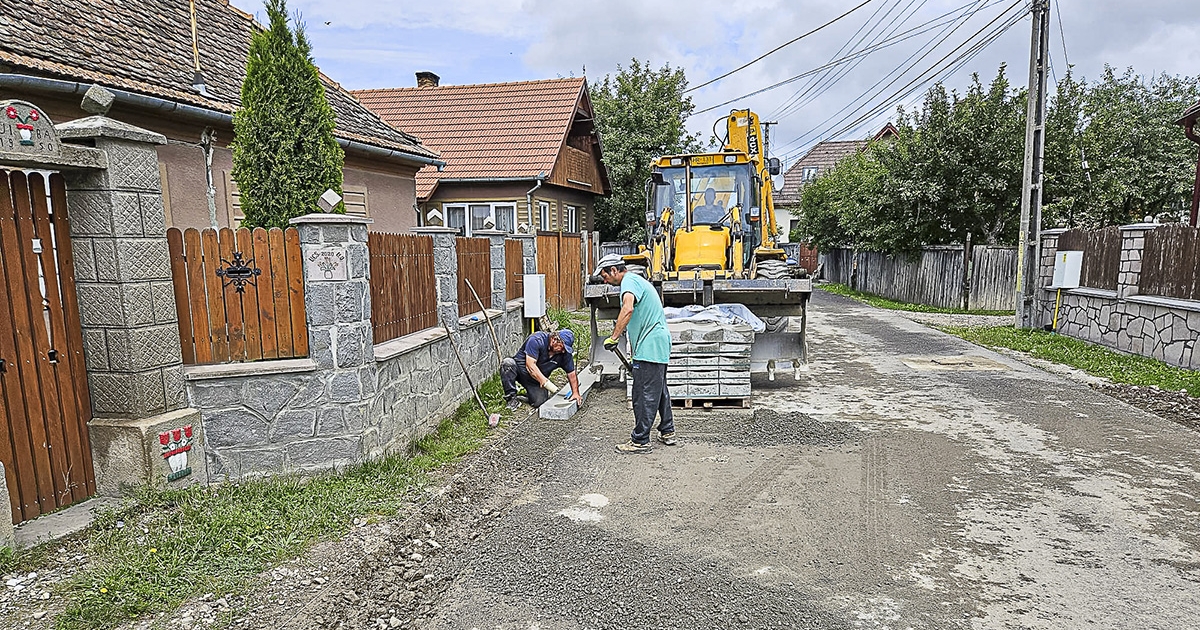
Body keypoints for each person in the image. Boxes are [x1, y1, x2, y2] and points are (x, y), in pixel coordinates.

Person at [595, 253, 677, 452]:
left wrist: (614, 337)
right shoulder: (637, 280)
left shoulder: (629, 282)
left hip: (650, 346)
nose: (604, 279)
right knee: (658, 390)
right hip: (656, 344)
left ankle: (640, 440)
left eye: (604, 275)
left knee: (643, 393)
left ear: (614, 270)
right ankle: (667, 430)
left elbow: (628, 308)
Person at [501, 329, 582, 410]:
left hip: (535, 381)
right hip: (520, 371)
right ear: (554, 339)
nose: (563, 351)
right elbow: (530, 366)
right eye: (562, 347)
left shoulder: (564, 354)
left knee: (539, 402)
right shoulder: (537, 340)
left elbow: (571, 373)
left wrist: (575, 393)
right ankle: (511, 398)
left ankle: (528, 394)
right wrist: (544, 381)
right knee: (508, 364)